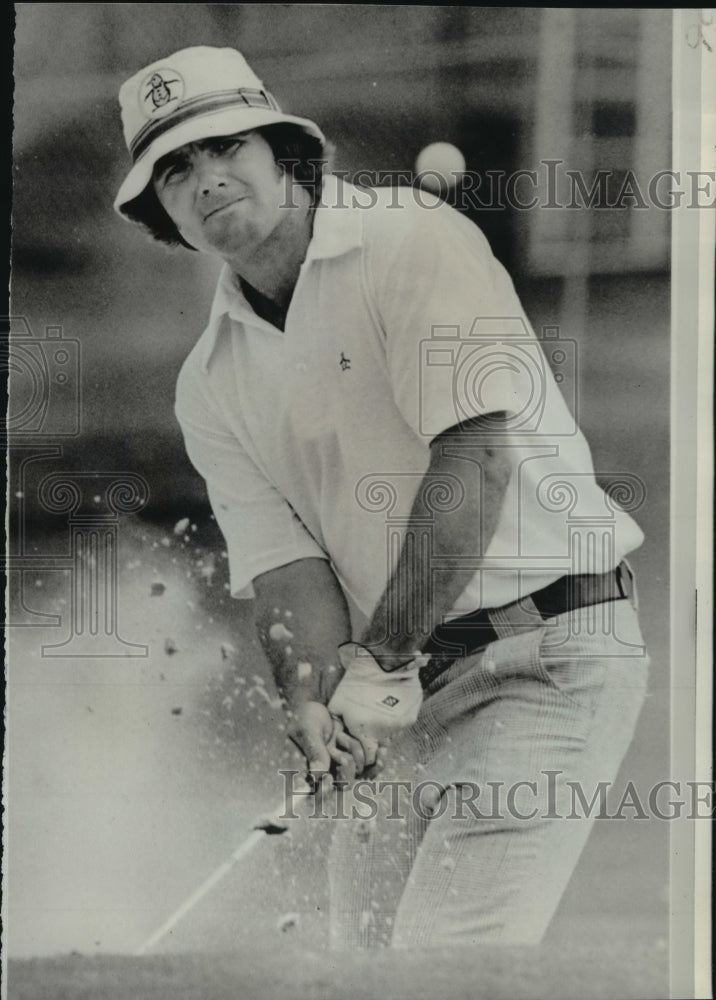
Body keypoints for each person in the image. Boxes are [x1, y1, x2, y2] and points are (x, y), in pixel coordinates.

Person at [114, 46, 651, 948]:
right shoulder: (208, 381)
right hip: (403, 692)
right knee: (357, 964)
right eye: (173, 170)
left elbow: (474, 461)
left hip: (549, 657)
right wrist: (319, 706)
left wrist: (383, 664)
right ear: (160, 210)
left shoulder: (414, 241)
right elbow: (289, 570)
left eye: (224, 148)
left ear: (285, 154)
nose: (204, 179)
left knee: (445, 963)